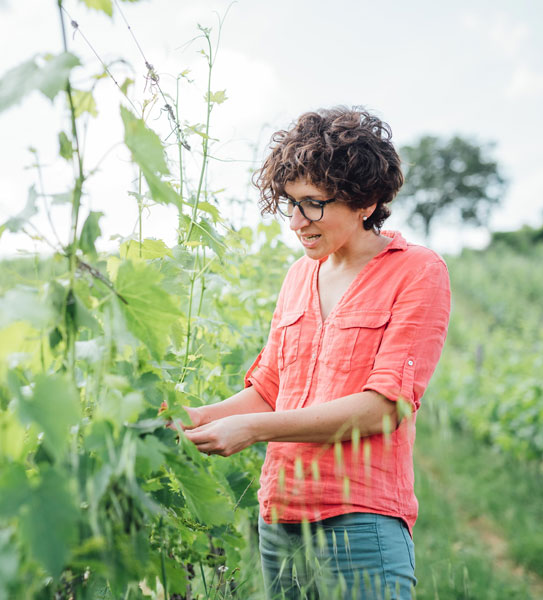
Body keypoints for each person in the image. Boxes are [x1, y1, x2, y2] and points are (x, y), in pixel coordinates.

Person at [179, 107, 451, 599]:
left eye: (313, 204)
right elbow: (269, 392)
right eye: (290, 204)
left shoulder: (417, 272)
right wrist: (195, 416)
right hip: (280, 524)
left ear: (365, 201)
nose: (296, 222)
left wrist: (255, 431)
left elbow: (384, 409)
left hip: (360, 523)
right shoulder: (299, 276)